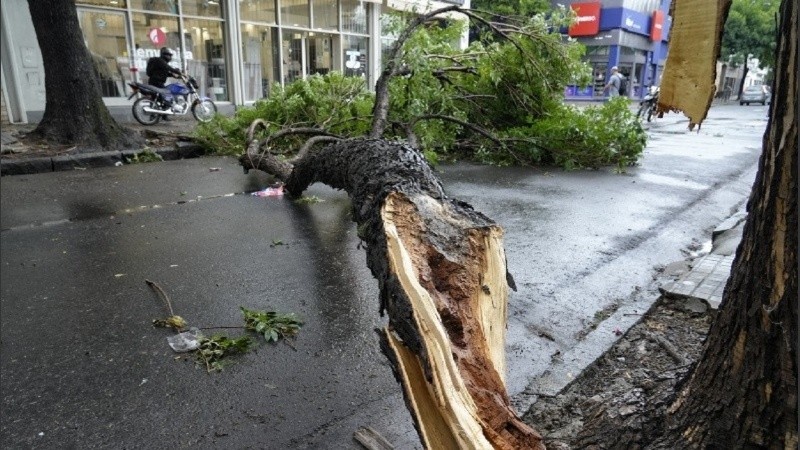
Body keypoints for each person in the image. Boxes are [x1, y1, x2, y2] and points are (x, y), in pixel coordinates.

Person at [145, 47, 182, 119]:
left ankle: (154, 116)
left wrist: (174, 76)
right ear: (163, 55)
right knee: (167, 97)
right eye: (168, 55)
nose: (169, 57)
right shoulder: (160, 61)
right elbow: (168, 68)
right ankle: (163, 115)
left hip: (155, 81)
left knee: (156, 98)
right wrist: (179, 72)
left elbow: (163, 73)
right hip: (156, 82)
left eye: (170, 55)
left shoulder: (160, 63)